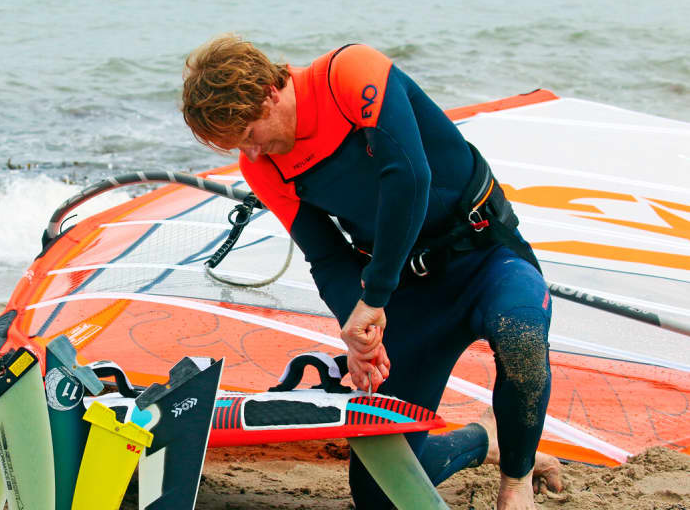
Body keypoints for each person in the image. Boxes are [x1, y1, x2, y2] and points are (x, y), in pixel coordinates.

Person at [180, 34, 564, 509]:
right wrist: (359, 333)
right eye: (236, 147)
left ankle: (517, 479)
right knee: (377, 495)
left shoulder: (349, 74)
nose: (251, 155)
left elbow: (408, 174)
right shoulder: (265, 168)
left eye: (250, 135)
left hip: (485, 256)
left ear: (269, 93)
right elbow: (327, 257)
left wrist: (375, 297)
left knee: (521, 331)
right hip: (410, 295)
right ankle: (480, 440)